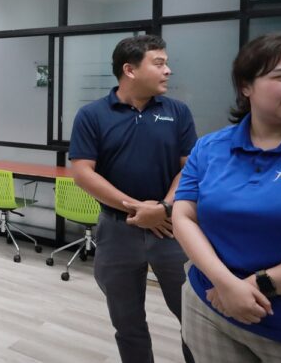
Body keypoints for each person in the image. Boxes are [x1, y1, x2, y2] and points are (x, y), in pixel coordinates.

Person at [69, 34, 196, 363]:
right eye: (159, 63)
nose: (168, 70)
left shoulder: (178, 112)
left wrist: (163, 208)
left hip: (171, 229)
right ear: (130, 70)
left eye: (166, 63)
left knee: (194, 321)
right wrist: (139, 210)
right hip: (117, 230)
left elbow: (190, 168)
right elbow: (83, 173)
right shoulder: (92, 115)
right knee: (127, 323)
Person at [173, 33, 281, 362]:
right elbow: (184, 216)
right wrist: (225, 284)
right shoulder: (211, 147)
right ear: (245, 86)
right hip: (209, 307)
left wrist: (255, 286)